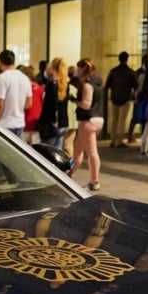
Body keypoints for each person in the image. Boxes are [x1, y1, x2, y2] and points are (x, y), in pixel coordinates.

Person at [71, 58, 104, 191]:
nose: (77, 71)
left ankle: (94, 181)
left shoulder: (87, 85)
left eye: (79, 68)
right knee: (78, 148)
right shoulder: (98, 82)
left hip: (88, 121)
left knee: (91, 152)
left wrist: (74, 101)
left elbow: (86, 104)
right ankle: (69, 173)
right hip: (98, 119)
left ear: (83, 69)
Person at [0, 50, 32, 139]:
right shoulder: (25, 78)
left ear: (0, 62)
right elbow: (29, 103)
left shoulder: (2, 78)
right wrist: (16, 106)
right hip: (20, 123)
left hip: (5, 123)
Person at [104, 51, 138, 148]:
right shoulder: (130, 72)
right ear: (127, 59)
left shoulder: (113, 71)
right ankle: (119, 141)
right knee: (122, 121)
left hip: (114, 97)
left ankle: (112, 140)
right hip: (126, 98)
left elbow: (107, 85)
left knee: (114, 120)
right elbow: (135, 85)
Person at [40, 58, 65, 151]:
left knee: (47, 152)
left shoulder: (51, 83)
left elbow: (50, 105)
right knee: (58, 151)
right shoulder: (64, 82)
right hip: (62, 122)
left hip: (52, 122)